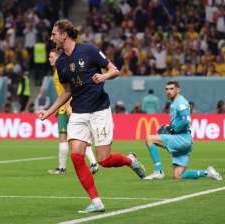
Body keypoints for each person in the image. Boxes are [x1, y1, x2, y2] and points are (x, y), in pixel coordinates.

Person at [39, 19, 145, 213]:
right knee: (76, 156)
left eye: (54, 34)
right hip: (78, 112)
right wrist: (50, 110)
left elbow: (115, 70)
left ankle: (130, 160)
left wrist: (103, 77)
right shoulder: (61, 62)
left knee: (104, 160)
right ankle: (96, 202)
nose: (51, 37)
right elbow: (67, 91)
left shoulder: (89, 50)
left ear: (64, 35)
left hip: (99, 110)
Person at [144, 81, 222, 181]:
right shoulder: (175, 102)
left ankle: (158, 171)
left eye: (172, 89)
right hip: (184, 140)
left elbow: (186, 121)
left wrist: (172, 129)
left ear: (178, 90)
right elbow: (180, 121)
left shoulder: (180, 102)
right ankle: (208, 173)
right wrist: (169, 127)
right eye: (167, 89)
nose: (169, 91)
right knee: (178, 175)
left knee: (149, 138)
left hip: (181, 138)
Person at [47, 48, 98, 175]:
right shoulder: (60, 71)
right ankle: (93, 162)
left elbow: (69, 91)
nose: (49, 59)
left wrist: (68, 108)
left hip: (67, 109)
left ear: (58, 58)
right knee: (79, 138)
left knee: (65, 138)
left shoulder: (60, 72)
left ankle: (62, 168)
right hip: (66, 108)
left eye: (52, 57)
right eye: (49, 57)